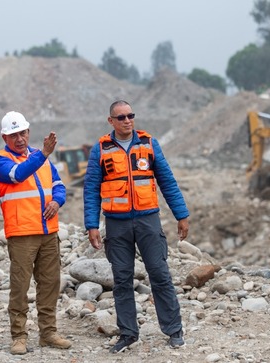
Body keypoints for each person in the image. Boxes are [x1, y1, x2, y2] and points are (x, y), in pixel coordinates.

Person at [83, 100, 190, 353]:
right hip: (116, 225)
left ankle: (174, 330)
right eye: (121, 117)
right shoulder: (100, 149)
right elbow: (91, 190)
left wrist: (181, 214)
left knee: (160, 274)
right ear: (111, 121)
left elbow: (167, 181)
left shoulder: (149, 144)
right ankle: (128, 334)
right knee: (121, 280)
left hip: (148, 221)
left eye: (130, 115)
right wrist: (92, 225)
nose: (127, 120)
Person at [0, 111, 72, 355]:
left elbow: (58, 186)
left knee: (49, 284)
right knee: (20, 286)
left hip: (48, 230)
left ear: (28, 132)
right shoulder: (0, 160)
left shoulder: (41, 157)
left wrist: (57, 202)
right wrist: (44, 154)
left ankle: (48, 333)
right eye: (13, 135)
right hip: (22, 232)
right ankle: (19, 336)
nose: (19, 139)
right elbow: (17, 175)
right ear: (4, 137)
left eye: (23, 133)